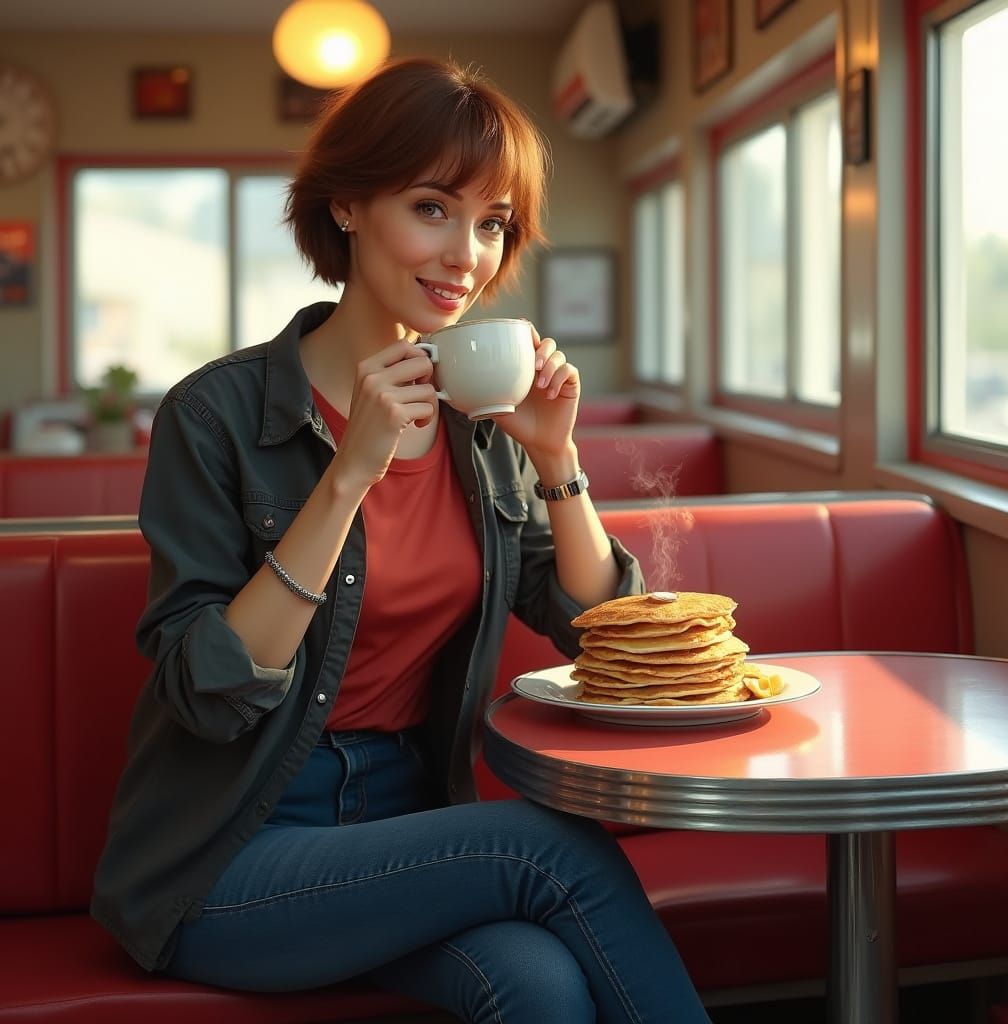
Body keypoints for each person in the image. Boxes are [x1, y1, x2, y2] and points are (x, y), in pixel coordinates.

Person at [91, 56, 711, 1024]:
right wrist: (348, 474)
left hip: (407, 831)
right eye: (432, 208)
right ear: (346, 206)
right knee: (551, 846)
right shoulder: (214, 414)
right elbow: (208, 691)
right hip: (229, 847)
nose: (467, 253)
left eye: (492, 221)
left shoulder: (477, 423)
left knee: (539, 987)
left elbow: (601, 631)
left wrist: (555, 460)